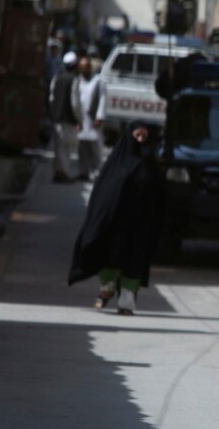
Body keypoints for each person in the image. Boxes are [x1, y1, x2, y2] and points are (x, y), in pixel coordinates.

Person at [68, 122, 165, 315]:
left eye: (144, 137)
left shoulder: (150, 164)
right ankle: (107, 289)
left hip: (141, 224)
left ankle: (126, 303)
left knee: (134, 262)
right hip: (116, 223)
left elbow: (159, 195)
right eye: (137, 135)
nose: (140, 140)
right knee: (111, 257)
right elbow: (103, 195)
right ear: (128, 136)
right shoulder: (115, 163)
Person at [50, 51, 82, 183]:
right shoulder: (74, 80)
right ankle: (62, 173)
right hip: (68, 119)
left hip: (57, 118)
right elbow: (75, 103)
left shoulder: (57, 77)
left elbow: (51, 98)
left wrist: (54, 113)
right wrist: (79, 119)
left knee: (59, 147)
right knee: (67, 148)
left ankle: (59, 172)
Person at [76, 55, 106, 181]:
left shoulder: (98, 81)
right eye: (82, 68)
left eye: (86, 67)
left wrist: (100, 116)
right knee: (82, 148)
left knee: (95, 148)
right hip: (81, 119)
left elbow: (103, 99)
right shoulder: (78, 80)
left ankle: (97, 172)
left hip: (93, 119)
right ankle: (84, 172)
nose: (84, 70)